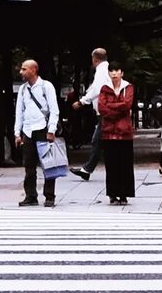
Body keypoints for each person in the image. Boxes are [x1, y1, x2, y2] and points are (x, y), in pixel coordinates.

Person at [12, 58, 63, 207]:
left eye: (24, 69)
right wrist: (17, 133)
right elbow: (19, 112)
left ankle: (49, 196)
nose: (21, 72)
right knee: (29, 166)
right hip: (28, 130)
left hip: (43, 129)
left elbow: (54, 110)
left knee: (48, 165)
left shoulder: (46, 87)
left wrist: (51, 130)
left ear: (33, 70)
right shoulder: (23, 89)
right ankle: (31, 195)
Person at [94, 64, 139, 205]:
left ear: (122, 73)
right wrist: (118, 109)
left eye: (117, 71)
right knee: (111, 164)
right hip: (108, 131)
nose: (114, 73)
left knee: (125, 164)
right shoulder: (104, 88)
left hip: (124, 131)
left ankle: (124, 194)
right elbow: (101, 107)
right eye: (111, 71)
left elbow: (127, 105)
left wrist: (111, 106)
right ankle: (112, 194)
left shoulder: (128, 87)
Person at [75, 47, 111, 178]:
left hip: (104, 111)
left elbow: (97, 90)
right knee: (99, 141)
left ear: (94, 59)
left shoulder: (101, 70)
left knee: (98, 141)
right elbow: (94, 88)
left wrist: (82, 101)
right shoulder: (106, 69)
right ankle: (87, 170)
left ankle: (88, 169)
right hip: (104, 111)